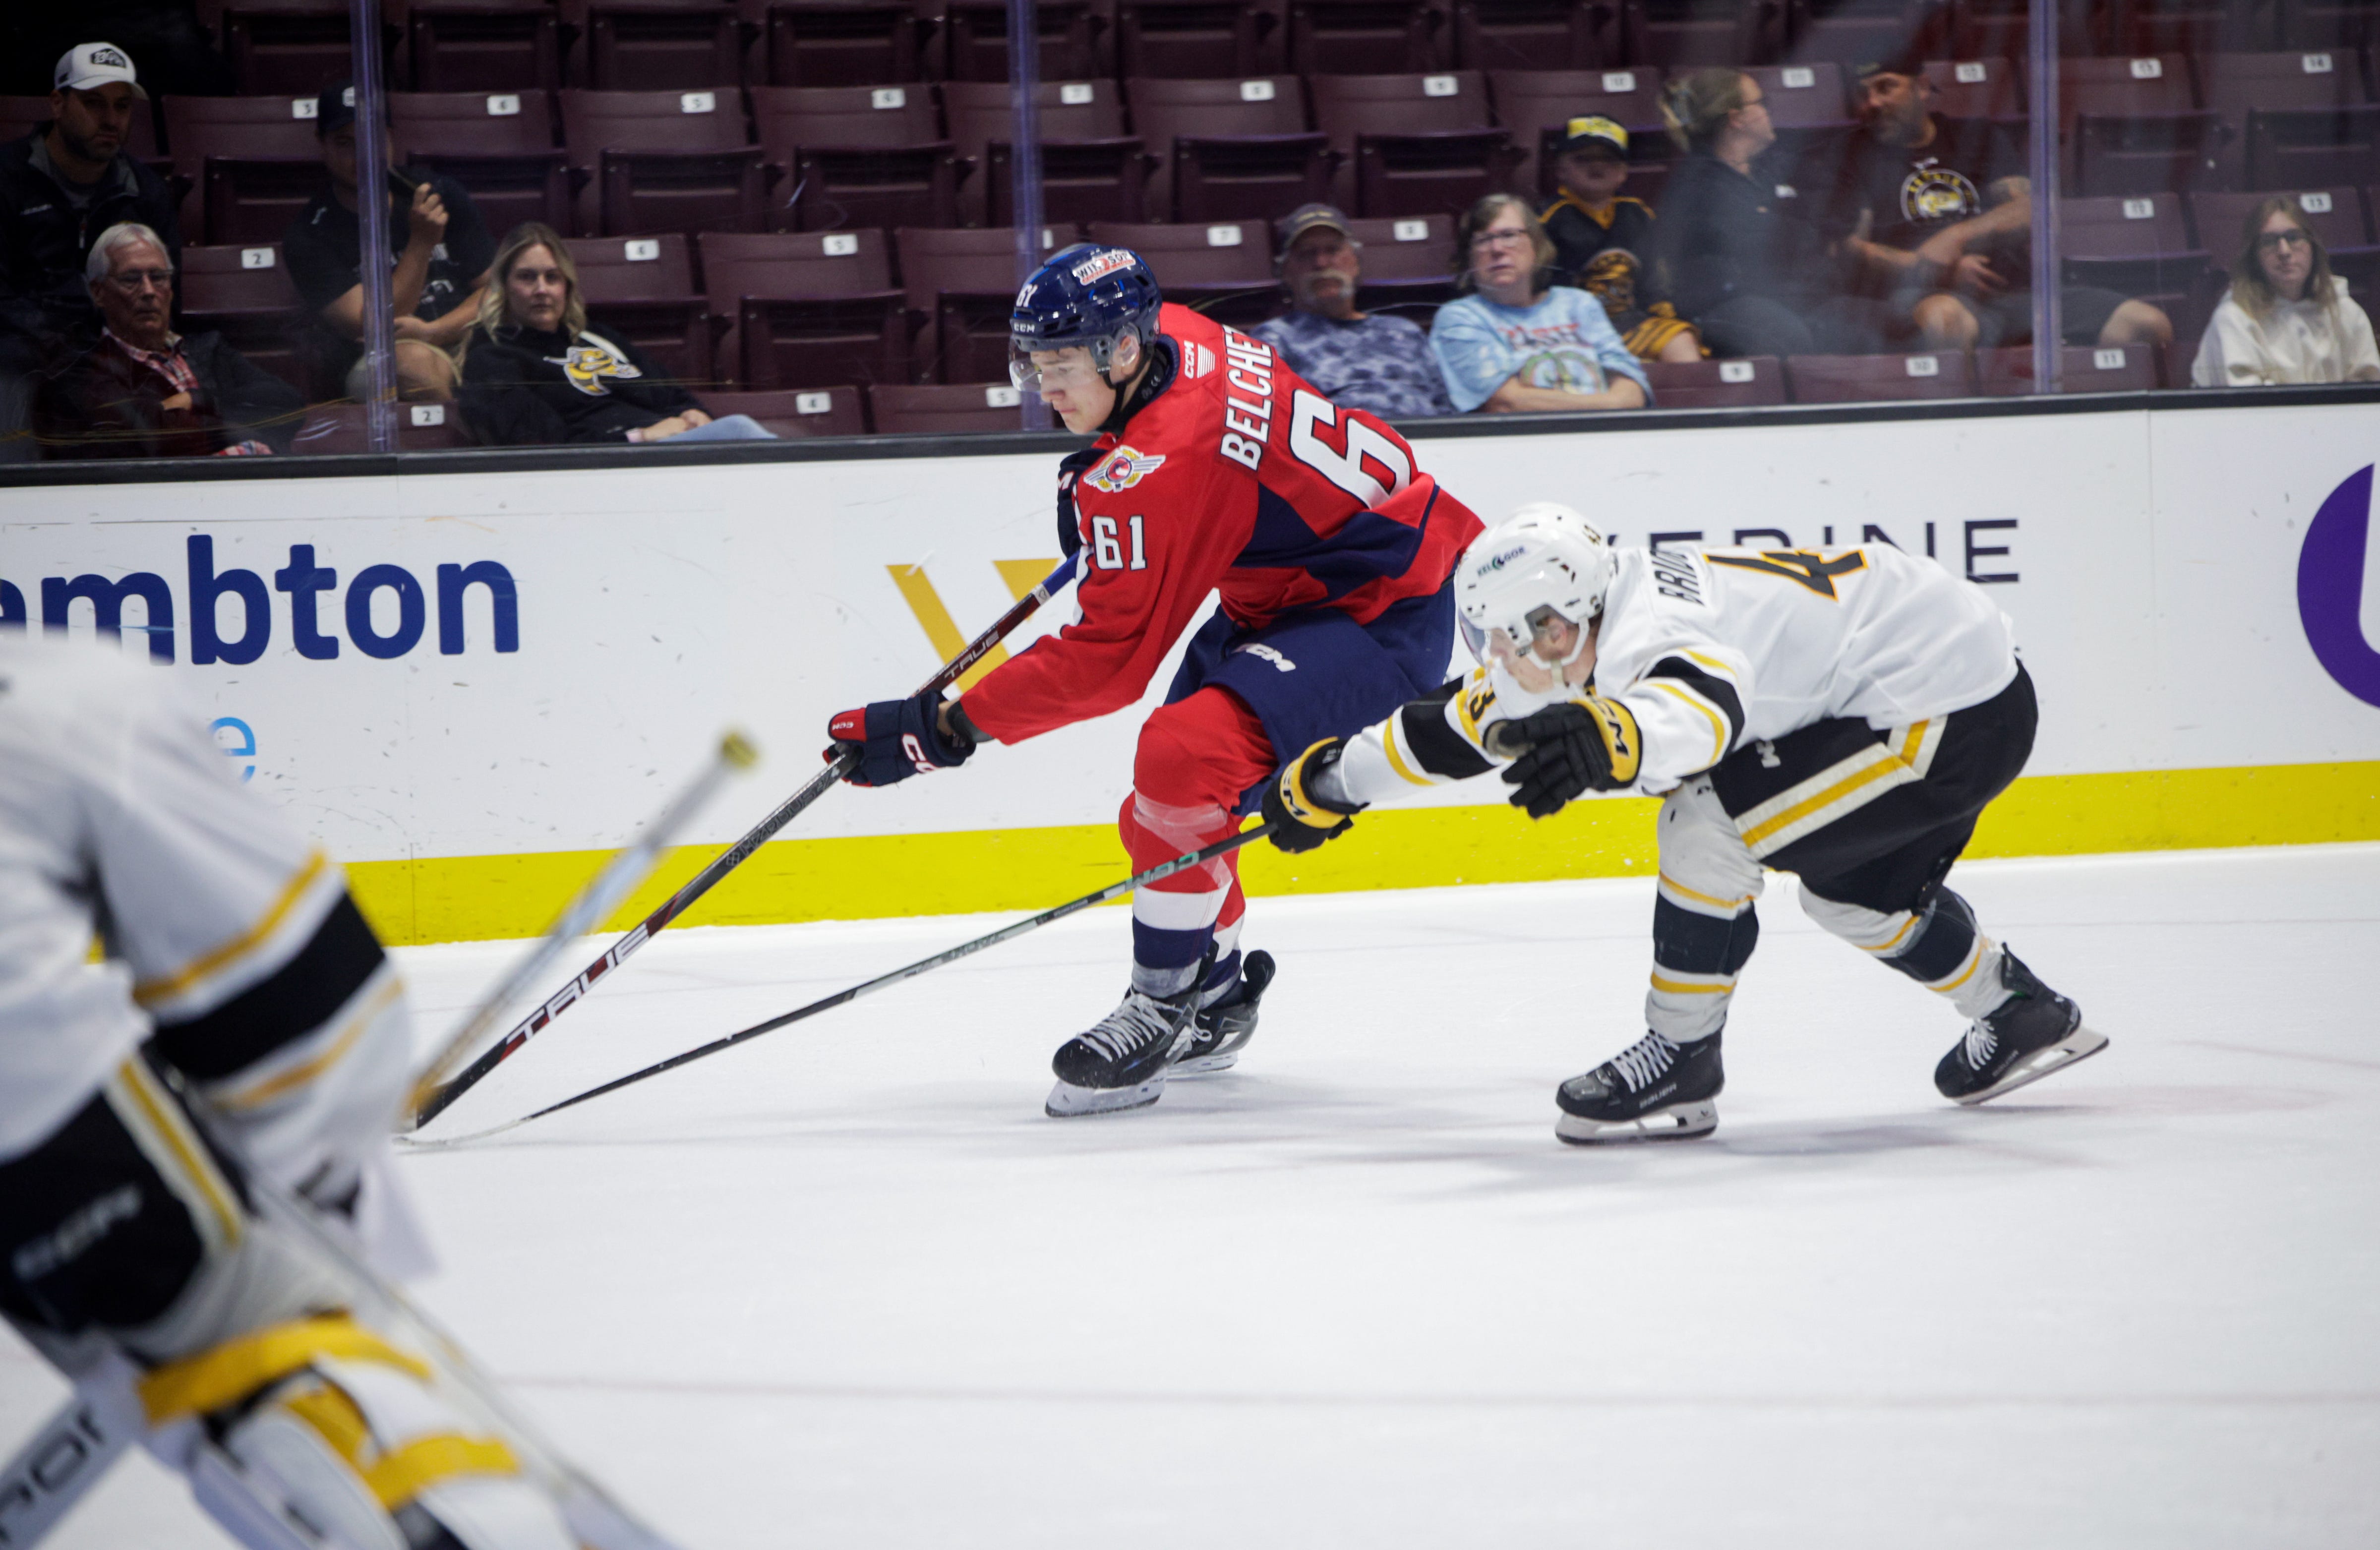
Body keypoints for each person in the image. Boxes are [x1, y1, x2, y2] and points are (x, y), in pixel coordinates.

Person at [824, 244, 1484, 1118]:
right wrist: (1110, 474)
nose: (1045, 388)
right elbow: (1192, 462)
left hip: (1380, 607)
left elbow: (1109, 664)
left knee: (1181, 757)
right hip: (1299, 590)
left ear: (1122, 351)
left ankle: (1161, 1008)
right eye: (1035, 364)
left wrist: (942, 730)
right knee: (1162, 812)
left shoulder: (1167, 463)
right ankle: (1216, 996)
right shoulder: (1172, 334)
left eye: (1061, 366)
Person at [0, 632, 594, 1550]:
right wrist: (312, 1200)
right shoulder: (65, 691)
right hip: (30, 1105)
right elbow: (307, 1007)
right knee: (265, 1327)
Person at [1262, 505, 2104, 1143]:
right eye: (1495, 639)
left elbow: (1703, 710)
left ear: (1562, 618)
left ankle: (1681, 1055)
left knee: (1709, 819)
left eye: (1519, 639)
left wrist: (1611, 736)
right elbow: (1461, 725)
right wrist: (1333, 783)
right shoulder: (1582, 615)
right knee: (1851, 894)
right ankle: (2019, 1010)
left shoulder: (1651, 629)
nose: (1505, 659)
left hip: (1945, 711)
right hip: (1943, 686)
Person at [1835, 57, 2172, 354]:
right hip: (1923, 298)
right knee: (1947, 322)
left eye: (1886, 87)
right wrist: (1936, 270)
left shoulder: (1975, 137)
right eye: (1863, 94)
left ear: (1922, 88)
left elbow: (2033, 211)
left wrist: (1955, 238)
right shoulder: (1853, 155)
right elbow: (1850, 249)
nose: (1873, 102)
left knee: (2146, 325)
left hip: (2014, 294)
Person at [458, 223, 774, 444]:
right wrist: (639, 437)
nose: (542, 289)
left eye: (552, 277)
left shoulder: (598, 337)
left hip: (662, 451)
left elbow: (674, 395)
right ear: (504, 286)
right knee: (740, 431)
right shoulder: (492, 358)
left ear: (567, 285)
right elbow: (544, 445)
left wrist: (695, 414)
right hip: (607, 468)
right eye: (527, 278)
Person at [283, 81, 493, 404]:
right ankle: (475, 429)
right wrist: (421, 244)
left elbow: (495, 289)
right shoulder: (310, 235)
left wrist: (436, 331)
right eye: (345, 143)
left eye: (373, 139)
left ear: (390, 138)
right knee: (410, 364)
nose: (363, 156)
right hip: (383, 361)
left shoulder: (437, 193)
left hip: (460, 335)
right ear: (322, 144)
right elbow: (376, 326)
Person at [1650, 68, 1879, 358]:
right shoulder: (1697, 184)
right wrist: (1802, 228)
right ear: (1738, 119)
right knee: (1787, 334)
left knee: (1876, 322)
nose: (1769, 112)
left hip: (1797, 295)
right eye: (1762, 103)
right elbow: (1761, 244)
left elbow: (1837, 204)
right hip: (1730, 305)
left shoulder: (1772, 167)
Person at [32, 222, 303, 458]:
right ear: (99, 292)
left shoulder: (209, 348)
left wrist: (198, 400)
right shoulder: (85, 371)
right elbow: (152, 439)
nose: (149, 291)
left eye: (158, 277)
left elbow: (288, 403)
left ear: (171, 289)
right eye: (131, 279)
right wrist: (238, 423)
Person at [0, 43, 181, 356]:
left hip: (118, 359)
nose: (111, 120)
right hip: (25, 357)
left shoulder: (147, 192)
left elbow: (168, 302)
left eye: (122, 106)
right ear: (58, 104)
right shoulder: (7, 178)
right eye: (94, 104)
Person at [1430, 191, 1653, 414]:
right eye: (1483, 240)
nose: (1497, 249)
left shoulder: (1579, 304)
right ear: (1469, 257)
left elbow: (1633, 393)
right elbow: (1507, 403)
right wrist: (1609, 405)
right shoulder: (1461, 318)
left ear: (1536, 246)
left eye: (1509, 235)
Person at [1248, 202, 1454, 420]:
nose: (1321, 263)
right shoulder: (1273, 340)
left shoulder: (1405, 331)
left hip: (1428, 438)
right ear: (1285, 272)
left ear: (1356, 262)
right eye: (1307, 254)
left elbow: (1447, 412)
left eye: (1333, 250)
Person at [1535, 117, 1702, 364]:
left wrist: (1663, 314)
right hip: (1572, 329)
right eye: (1583, 158)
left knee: (1681, 341)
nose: (1597, 165)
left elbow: (1655, 278)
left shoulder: (1638, 214)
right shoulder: (1546, 220)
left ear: (1623, 172)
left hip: (1629, 323)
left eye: (1608, 159)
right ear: (1561, 169)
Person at [2192, 195, 2380, 387]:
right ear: (2254, 255)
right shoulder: (2234, 318)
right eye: (2269, 241)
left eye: (2294, 238)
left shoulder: (2346, 311)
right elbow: (2244, 399)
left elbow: (2368, 388)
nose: (2284, 251)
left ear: (2313, 247)